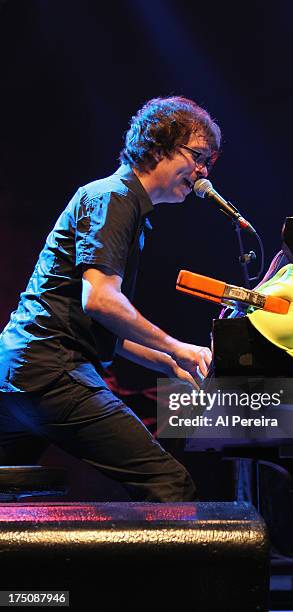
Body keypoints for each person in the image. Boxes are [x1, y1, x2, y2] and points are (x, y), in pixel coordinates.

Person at [0, 96, 221, 501]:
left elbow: (105, 328)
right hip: (51, 372)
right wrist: (176, 347)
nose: (204, 171)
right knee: (172, 486)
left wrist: (172, 362)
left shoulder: (123, 206)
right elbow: (101, 301)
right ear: (158, 148)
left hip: (19, 375)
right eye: (198, 155)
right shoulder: (114, 198)